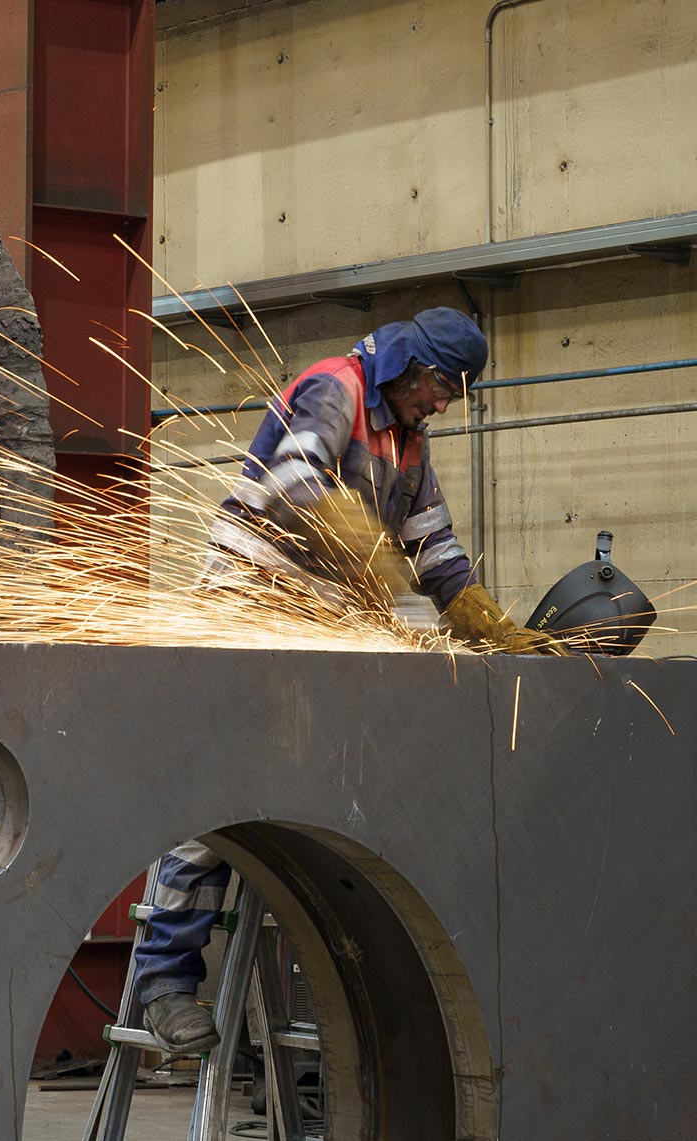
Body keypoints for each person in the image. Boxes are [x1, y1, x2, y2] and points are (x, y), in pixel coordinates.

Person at [136, 306, 566, 1055]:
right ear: (412, 368)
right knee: (217, 797)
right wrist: (363, 543)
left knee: (319, 792)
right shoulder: (336, 387)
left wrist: (483, 618)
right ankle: (164, 983)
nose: (441, 405)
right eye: (441, 389)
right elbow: (296, 482)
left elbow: (433, 545)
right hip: (252, 605)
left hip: (322, 628)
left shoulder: (408, 440)